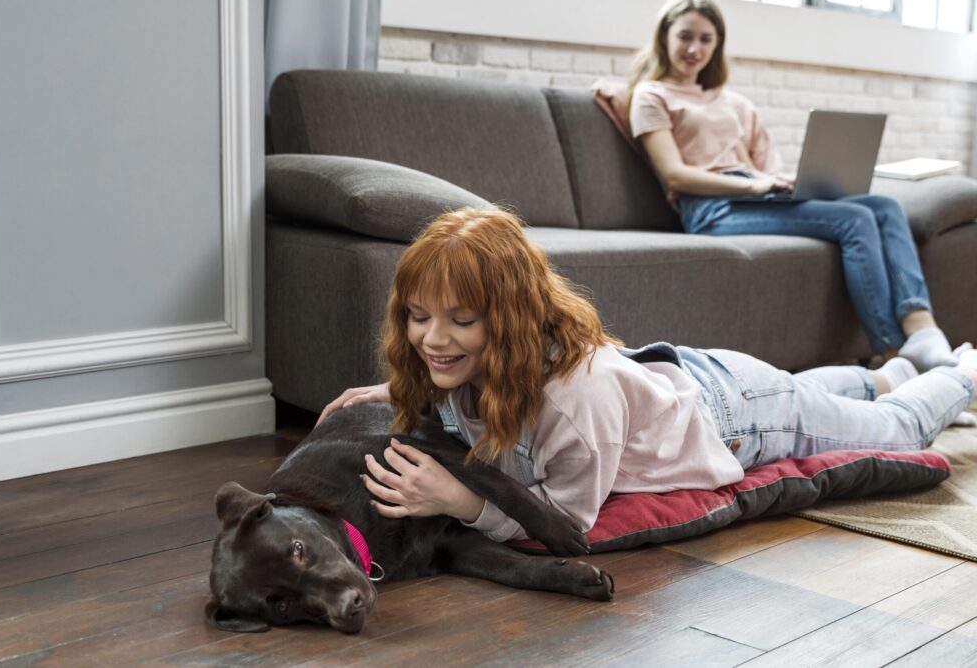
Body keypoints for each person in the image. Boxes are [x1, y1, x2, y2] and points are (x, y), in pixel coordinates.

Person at [318, 208, 977, 543]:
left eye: (460, 320)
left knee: (895, 427)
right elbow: (442, 375)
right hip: (691, 376)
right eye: (418, 317)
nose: (432, 339)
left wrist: (463, 503)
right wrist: (404, 390)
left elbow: (566, 522)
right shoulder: (464, 363)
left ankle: (960, 368)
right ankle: (893, 369)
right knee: (813, 392)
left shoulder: (573, 401)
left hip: (739, 415)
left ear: (510, 318)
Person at [627, 0, 965, 372]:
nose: (694, 48)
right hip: (711, 208)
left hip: (759, 194)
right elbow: (675, 173)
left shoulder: (736, 103)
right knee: (854, 220)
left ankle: (923, 331)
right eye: (685, 36)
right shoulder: (651, 95)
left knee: (885, 207)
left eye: (706, 39)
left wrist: (793, 181)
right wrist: (752, 186)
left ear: (718, 44)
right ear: (665, 37)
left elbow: (768, 168)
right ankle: (893, 357)